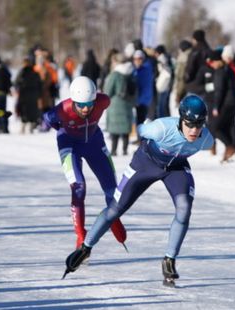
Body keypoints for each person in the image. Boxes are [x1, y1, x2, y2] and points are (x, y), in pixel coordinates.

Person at [62, 94, 214, 286]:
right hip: (145, 163)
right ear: (181, 119)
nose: (194, 130)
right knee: (116, 209)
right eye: (190, 124)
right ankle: (86, 247)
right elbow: (141, 129)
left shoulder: (206, 139)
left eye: (199, 124)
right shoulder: (161, 129)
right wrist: (146, 125)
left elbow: (199, 139)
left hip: (175, 168)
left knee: (184, 208)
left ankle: (169, 260)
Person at [43, 76, 128, 248]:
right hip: (69, 144)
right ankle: (81, 235)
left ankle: (113, 218)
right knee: (79, 187)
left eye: (89, 104)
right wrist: (62, 128)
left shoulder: (103, 101)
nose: (85, 109)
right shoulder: (63, 109)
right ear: (73, 101)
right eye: (80, 105)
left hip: (94, 143)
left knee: (112, 189)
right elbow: (47, 118)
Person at [103, 53, 136, 156]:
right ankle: (125, 150)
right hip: (127, 104)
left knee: (115, 130)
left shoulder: (115, 74)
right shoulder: (131, 72)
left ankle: (114, 150)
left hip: (115, 105)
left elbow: (107, 91)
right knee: (125, 129)